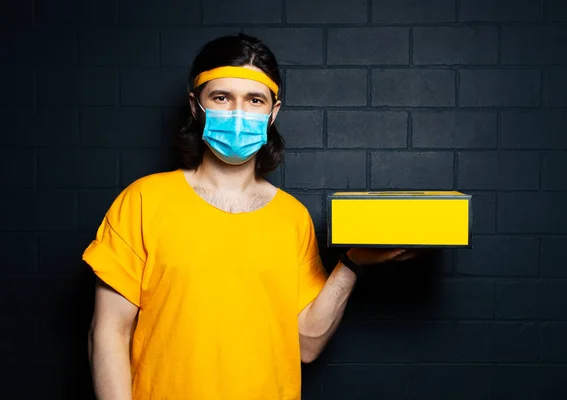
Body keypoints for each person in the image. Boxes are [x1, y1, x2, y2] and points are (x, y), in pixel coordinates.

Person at [83, 33, 416, 400]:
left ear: (273, 112)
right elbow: (109, 331)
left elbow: (306, 344)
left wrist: (352, 264)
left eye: (254, 100)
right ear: (196, 106)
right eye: (222, 98)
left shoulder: (292, 217)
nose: (238, 113)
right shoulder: (143, 200)